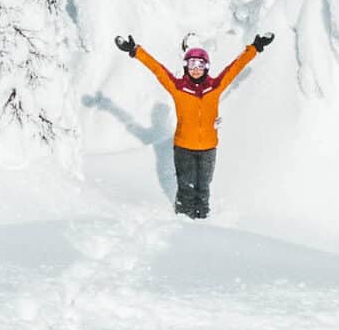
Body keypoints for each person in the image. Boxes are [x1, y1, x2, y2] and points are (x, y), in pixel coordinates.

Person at [114, 29, 274, 218]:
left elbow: (234, 68)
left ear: (206, 66)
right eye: (192, 64)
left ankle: (203, 220)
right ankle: (184, 220)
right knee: (186, 187)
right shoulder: (178, 88)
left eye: (200, 64)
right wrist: (135, 50)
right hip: (184, 148)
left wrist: (255, 47)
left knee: (204, 186)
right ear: (185, 66)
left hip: (208, 148)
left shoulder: (214, 87)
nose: (196, 68)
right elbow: (158, 69)